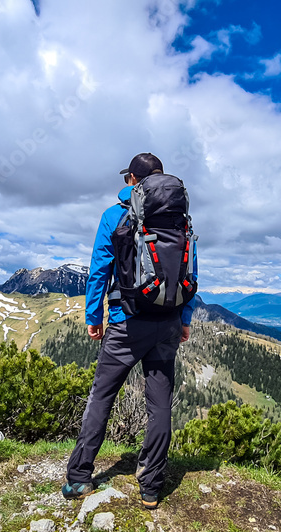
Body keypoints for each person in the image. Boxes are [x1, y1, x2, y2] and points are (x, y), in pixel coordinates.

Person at [63, 152, 196, 510]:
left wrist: (95, 316)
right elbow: (189, 273)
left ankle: (79, 478)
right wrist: (183, 319)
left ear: (134, 181)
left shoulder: (114, 215)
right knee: (160, 404)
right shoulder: (180, 219)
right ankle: (151, 487)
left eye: (128, 179)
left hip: (126, 322)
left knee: (102, 396)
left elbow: (99, 270)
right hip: (167, 320)